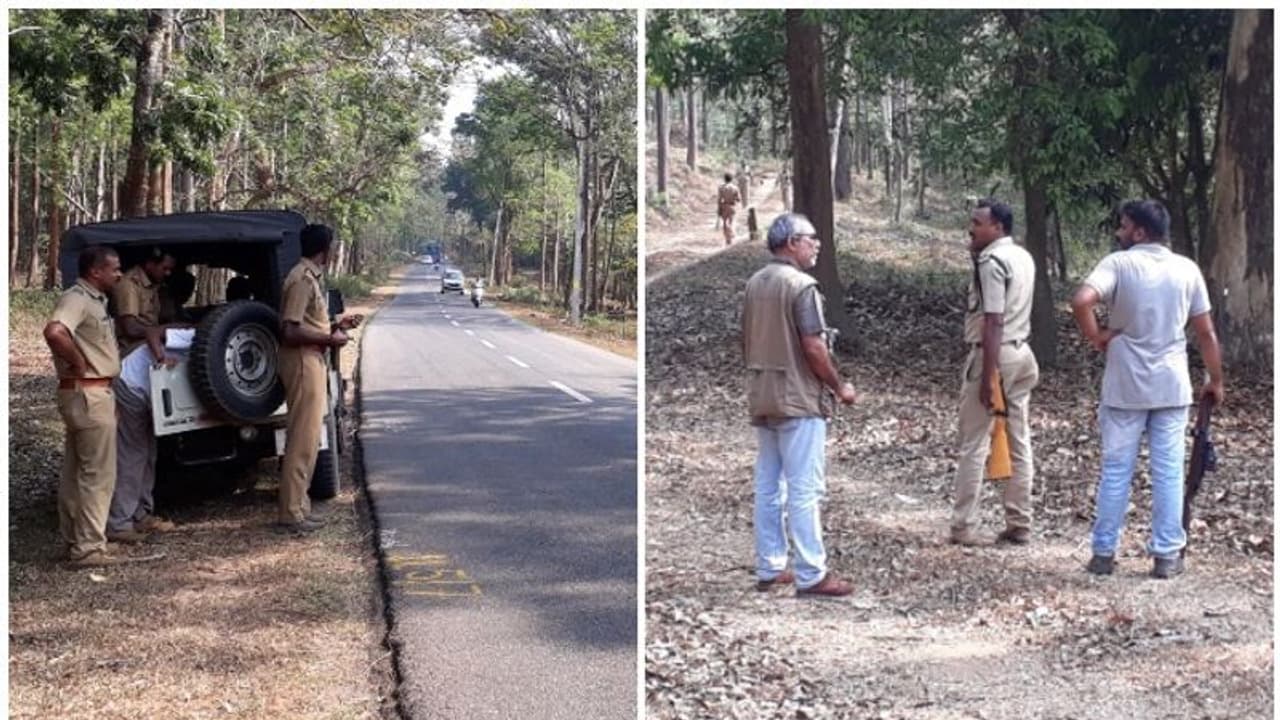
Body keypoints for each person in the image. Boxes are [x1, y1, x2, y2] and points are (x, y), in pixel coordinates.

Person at [1071, 199, 1224, 579]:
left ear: (1139, 231)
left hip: (1125, 383)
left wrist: (1097, 336)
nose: (1119, 232)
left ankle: (1103, 553)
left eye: (1123, 226)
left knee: (1116, 470)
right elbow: (1206, 333)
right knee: (1169, 470)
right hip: (1171, 384)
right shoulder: (1186, 269)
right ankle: (1167, 555)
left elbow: (1082, 300)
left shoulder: (1118, 264)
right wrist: (1215, 379)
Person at [742, 212, 857, 597]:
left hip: (763, 392)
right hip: (798, 398)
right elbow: (814, 346)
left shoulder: (755, 283)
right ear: (792, 242)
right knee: (805, 488)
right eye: (811, 238)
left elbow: (745, 340)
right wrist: (838, 386)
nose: (816, 244)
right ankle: (811, 573)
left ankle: (770, 566)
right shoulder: (801, 286)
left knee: (768, 485)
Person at [949, 198, 1039, 547]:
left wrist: (987, 375)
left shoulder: (993, 261)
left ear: (997, 227)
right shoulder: (1022, 256)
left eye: (978, 223)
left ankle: (963, 525)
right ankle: (1020, 522)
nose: (971, 229)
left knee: (974, 441)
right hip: (1022, 353)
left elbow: (993, 319)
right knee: (1018, 437)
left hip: (994, 354)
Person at [276, 224, 362, 533]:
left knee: (311, 438)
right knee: (302, 438)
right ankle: (291, 513)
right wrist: (330, 339)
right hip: (302, 360)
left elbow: (308, 323)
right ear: (325, 251)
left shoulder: (309, 277)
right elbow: (290, 330)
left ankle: (299, 507)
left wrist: (337, 326)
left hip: (312, 357)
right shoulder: (301, 279)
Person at [43, 246, 124, 567]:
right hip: (88, 392)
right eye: (114, 269)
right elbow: (55, 331)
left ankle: (75, 540)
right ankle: (89, 548)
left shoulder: (95, 300)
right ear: (95, 271)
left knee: (77, 471)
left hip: (90, 393)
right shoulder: (77, 299)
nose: (119, 274)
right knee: (98, 474)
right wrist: (78, 362)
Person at [106, 327, 188, 543]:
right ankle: (119, 523)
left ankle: (140, 514)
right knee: (132, 455)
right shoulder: (191, 336)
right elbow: (152, 332)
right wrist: (161, 358)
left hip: (151, 392)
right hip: (131, 384)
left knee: (149, 454)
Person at [112, 247, 177, 354]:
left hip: (149, 343)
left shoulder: (154, 284)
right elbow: (131, 328)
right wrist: (162, 331)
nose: (168, 273)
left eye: (170, 269)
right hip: (131, 348)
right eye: (164, 268)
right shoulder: (129, 284)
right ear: (149, 264)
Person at [717, 173, 742, 245]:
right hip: (732, 206)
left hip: (724, 206)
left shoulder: (721, 188)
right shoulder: (735, 188)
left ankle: (727, 238)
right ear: (732, 179)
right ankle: (731, 235)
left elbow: (719, 199)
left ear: (724, 179)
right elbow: (739, 199)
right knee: (731, 222)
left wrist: (719, 208)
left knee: (725, 222)